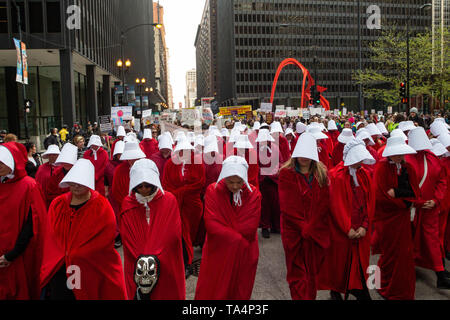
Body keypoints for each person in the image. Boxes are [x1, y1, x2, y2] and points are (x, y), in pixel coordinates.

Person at [40, 159, 127, 300]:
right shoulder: (58, 204)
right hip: (60, 268)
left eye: (80, 183)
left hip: (88, 268)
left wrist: (80, 253)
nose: (76, 186)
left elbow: (105, 238)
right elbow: (51, 235)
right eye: (73, 183)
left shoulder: (101, 206)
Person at [195, 156, 262, 300]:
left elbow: (250, 227)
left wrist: (226, 228)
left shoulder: (254, 194)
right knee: (213, 289)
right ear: (223, 177)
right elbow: (212, 224)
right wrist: (237, 237)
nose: (235, 186)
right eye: (230, 181)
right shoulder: (213, 190)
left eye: (239, 182)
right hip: (218, 250)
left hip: (244, 252)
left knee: (239, 290)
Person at [120, 159, 185, 300]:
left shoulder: (169, 200)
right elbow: (127, 236)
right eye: (139, 186)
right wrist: (143, 259)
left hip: (166, 262)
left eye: (148, 185)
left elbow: (173, 234)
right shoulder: (128, 203)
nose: (144, 190)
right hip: (137, 263)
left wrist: (155, 257)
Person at [319, 138, 375, 301]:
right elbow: (336, 205)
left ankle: (358, 290)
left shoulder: (364, 174)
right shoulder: (336, 176)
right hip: (342, 231)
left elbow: (370, 201)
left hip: (360, 230)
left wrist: (365, 225)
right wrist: (347, 227)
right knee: (339, 264)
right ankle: (337, 290)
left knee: (359, 265)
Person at [278, 132, 331, 300]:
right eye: (301, 154)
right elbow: (288, 204)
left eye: (308, 155)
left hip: (315, 231)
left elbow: (324, 204)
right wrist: (303, 226)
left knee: (312, 274)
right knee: (297, 274)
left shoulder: (321, 174)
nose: (304, 158)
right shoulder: (286, 173)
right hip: (293, 231)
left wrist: (311, 226)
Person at [372, 136, 420, 300]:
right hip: (386, 218)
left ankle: (401, 291)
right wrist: (404, 200)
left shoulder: (408, 168)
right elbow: (381, 195)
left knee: (403, 255)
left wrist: (398, 194)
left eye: (401, 153)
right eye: (396, 153)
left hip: (402, 217)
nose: (399, 156)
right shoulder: (381, 167)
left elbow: (414, 191)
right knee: (388, 253)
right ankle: (377, 284)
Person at [0, 142, 48, 300]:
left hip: (20, 255)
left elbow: (33, 224)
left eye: (1, 163)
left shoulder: (29, 186)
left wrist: (11, 255)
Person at [405, 127, 450, 289]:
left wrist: (434, 201)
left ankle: (439, 272)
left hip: (422, 208)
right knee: (418, 240)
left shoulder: (413, 159)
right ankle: (438, 272)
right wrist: (430, 201)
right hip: (416, 208)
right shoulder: (428, 158)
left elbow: (441, 181)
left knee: (425, 239)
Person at [162, 136, 206, 278]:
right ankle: (186, 262)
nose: (184, 152)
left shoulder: (197, 163)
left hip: (193, 205)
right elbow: (166, 184)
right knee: (182, 231)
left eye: (187, 150)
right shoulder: (170, 164)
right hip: (175, 203)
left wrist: (182, 190)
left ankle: (186, 256)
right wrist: (178, 193)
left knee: (189, 232)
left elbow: (200, 183)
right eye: (182, 150)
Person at [256, 129, 284, 239]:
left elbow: (280, 162)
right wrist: (263, 173)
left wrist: (274, 172)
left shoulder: (275, 148)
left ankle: (276, 226)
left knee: (276, 204)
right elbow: (255, 165)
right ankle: (265, 227)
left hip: (274, 180)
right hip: (262, 181)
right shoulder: (256, 150)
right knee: (264, 205)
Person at [112, 140, 146, 213]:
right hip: (126, 207)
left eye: (135, 157)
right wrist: (127, 203)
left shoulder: (146, 167)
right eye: (129, 158)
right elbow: (116, 191)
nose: (132, 160)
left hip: (144, 206)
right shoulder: (119, 170)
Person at [105, 140, 125, 248]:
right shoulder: (109, 164)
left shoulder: (128, 164)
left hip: (126, 192)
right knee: (115, 215)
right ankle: (117, 235)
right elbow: (106, 178)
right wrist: (106, 190)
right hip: (113, 193)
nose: (120, 156)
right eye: (118, 154)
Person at [45, 143, 78, 209]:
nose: (66, 164)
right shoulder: (56, 173)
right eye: (64, 161)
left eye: (69, 162)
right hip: (61, 207)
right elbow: (50, 193)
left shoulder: (80, 172)